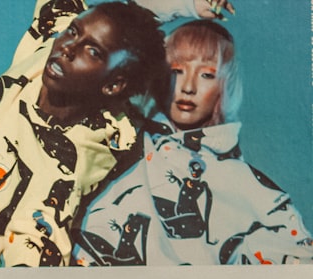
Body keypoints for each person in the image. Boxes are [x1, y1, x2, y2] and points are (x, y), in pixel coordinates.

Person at [0, 0, 230, 269]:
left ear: (114, 85)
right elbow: (96, 18)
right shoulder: (43, 52)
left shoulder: (62, 173)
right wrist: (186, 5)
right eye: (73, 31)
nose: (68, 47)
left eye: (92, 52)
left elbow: (34, 263)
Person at [73, 18, 312, 265]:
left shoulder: (248, 186)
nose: (188, 87)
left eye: (207, 74)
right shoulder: (119, 134)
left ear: (225, 85)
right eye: (176, 70)